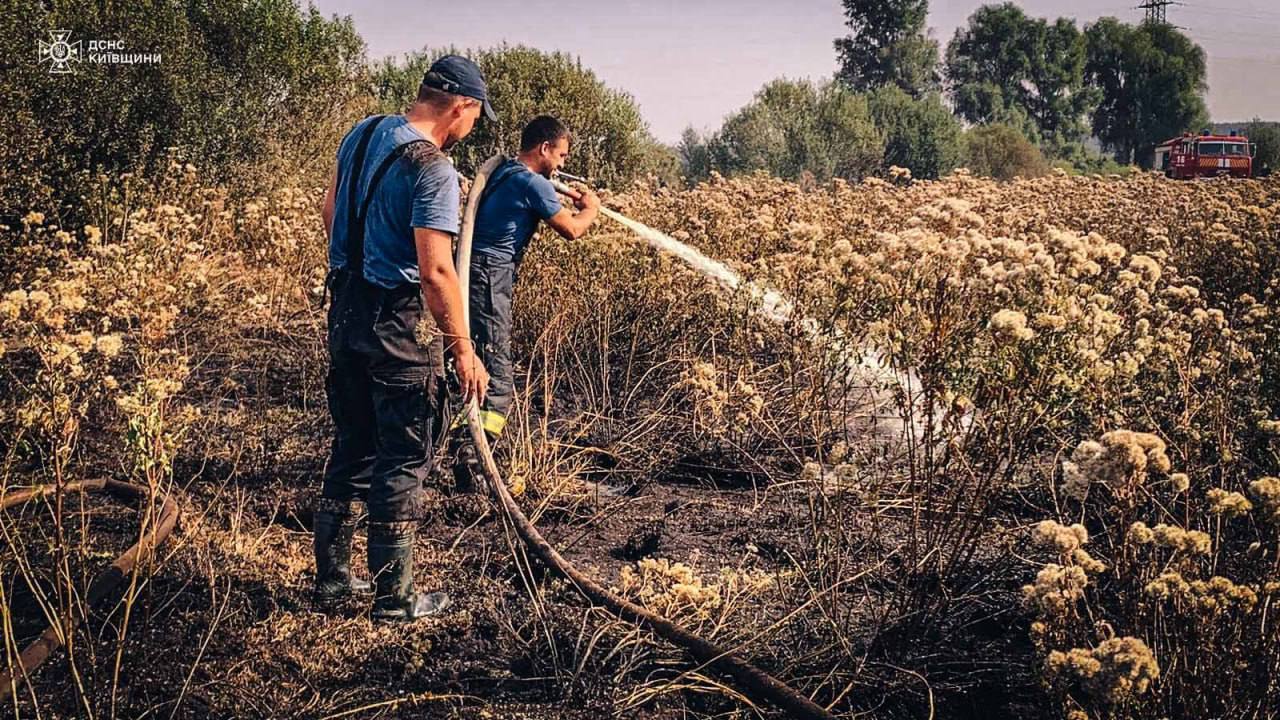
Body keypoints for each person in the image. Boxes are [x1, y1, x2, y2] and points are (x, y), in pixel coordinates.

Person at [314, 55, 494, 624]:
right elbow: (437, 269)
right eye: (474, 117)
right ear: (461, 106)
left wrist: (360, 258)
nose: (472, 128)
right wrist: (463, 347)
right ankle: (395, 598)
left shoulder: (363, 132)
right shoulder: (434, 169)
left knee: (353, 443)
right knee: (403, 452)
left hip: (345, 311)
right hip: (396, 323)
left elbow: (329, 208)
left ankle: (334, 581)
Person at [451, 115, 600, 491]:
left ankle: (463, 453)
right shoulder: (531, 182)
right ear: (544, 148)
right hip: (489, 277)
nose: (563, 163)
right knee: (497, 378)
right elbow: (572, 229)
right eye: (561, 155)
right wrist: (592, 209)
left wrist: (567, 193)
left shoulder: (507, 172)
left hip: (475, 273)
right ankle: (473, 468)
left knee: (476, 365)